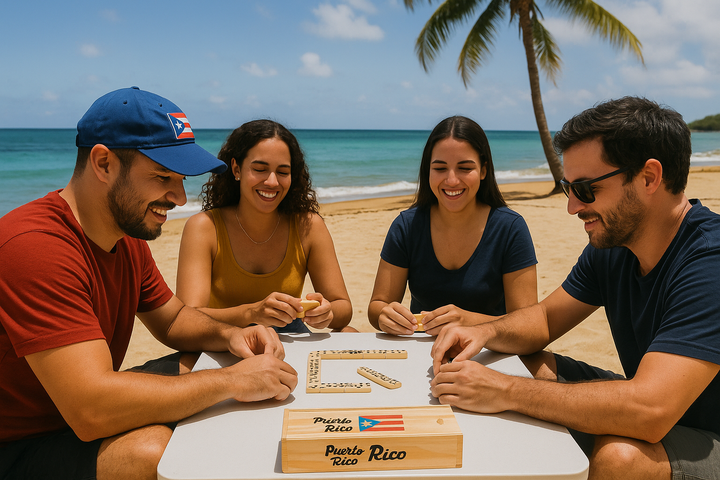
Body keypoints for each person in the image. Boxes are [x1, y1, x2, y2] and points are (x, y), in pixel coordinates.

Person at [0, 87, 298, 480]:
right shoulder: (34, 245)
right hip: (21, 444)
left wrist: (231, 335)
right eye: (162, 177)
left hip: (77, 413)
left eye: (180, 179)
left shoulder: (124, 237)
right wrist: (230, 382)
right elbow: (91, 411)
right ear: (103, 163)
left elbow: (174, 321)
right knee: (152, 453)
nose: (179, 196)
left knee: (203, 359)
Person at [430, 97, 720, 479]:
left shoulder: (709, 260)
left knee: (621, 457)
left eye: (585, 188)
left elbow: (650, 410)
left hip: (704, 430)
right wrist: (483, 333)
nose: (572, 206)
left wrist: (504, 391)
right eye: (569, 187)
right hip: (657, 402)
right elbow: (546, 319)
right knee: (522, 362)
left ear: (649, 177)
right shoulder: (616, 245)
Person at [176, 120, 353, 333]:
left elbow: (343, 306)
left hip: (289, 338)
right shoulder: (205, 227)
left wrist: (327, 312)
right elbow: (188, 316)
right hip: (223, 339)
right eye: (260, 169)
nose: (272, 182)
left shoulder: (308, 225)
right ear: (236, 169)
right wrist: (252, 313)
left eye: (283, 172)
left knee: (349, 332)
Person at [368, 116, 538, 335]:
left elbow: (527, 324)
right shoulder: (406, 226)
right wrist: (384, 315)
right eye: (440, 168)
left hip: (491, 355)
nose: (451, 180)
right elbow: (377, 305)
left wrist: (466, 321)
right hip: (421, 355)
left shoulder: (510, 228)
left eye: (464, 168)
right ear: (427, 170)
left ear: (484, 170)